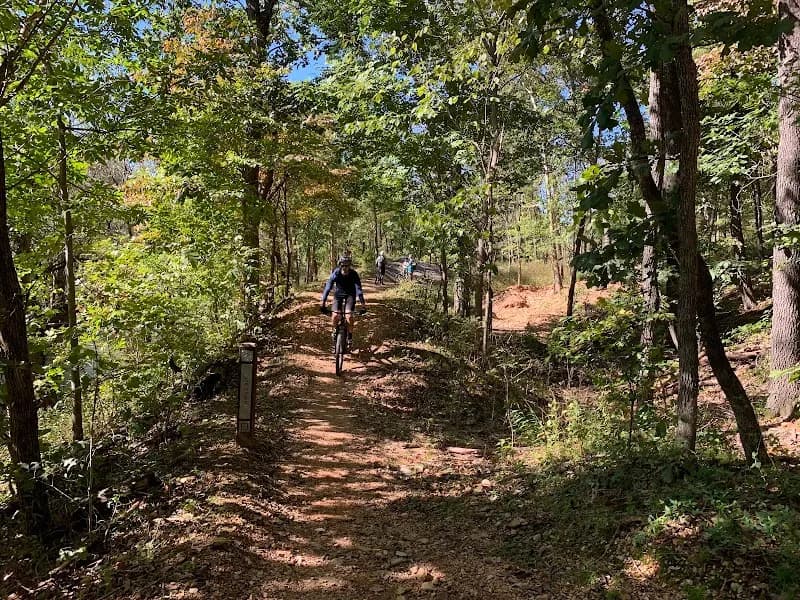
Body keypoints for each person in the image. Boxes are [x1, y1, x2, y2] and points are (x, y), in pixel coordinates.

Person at [320, 255, 366, 348]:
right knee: (335, 315)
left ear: (350, 266)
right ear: (340, 265)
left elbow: (359, 290)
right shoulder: (336, 273)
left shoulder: (354, 274)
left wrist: (363, 305)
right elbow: (328, 288)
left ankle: (350, 337)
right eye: (343, 265)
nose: (345, 268)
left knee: (349, 316)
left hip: (350, 295)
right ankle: (334, 330)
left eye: (347, 266)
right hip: (338, 294)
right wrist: (323, 303)